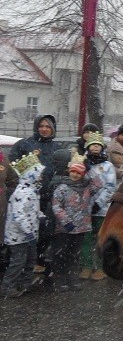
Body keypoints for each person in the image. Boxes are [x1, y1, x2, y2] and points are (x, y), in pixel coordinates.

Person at [9, 115, 59, 273]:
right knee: (27, 229)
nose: (44, 129)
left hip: (49, 195)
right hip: (27, 197)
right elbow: (12, 165)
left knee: (45, 229)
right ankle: (23, 264)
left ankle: (40, 259)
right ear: (37, 127)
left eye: (48, 127)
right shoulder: (25, 144)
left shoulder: (57, 147)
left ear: (53, 129)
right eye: (42, 126)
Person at [50, 162, 103, 293]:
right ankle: (59, 279)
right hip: (65, 229)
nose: (75, 175)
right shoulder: (62, 188)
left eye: (78, 173)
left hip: (81, 227)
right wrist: (66, 221)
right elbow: (56, 206)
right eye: (73, 171)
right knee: (61, 254)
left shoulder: (86, 188)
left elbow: (99, 184)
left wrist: (90, 171)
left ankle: (71, 277)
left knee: (74, 254)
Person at [1, 153, 45, 298]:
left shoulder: (32, 190)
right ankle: (7, 287)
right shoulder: (22, 192)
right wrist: (28, 232)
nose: (40, 177)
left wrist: (41, 216)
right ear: (31, 175)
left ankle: (24, 283)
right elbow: (19, 216)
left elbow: (33, 210)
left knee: (30, 260)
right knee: (18, 262)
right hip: (18, 237)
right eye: (38, 174)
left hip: (29, 235)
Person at [78, 132, 116, 281]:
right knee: (86, 239)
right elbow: (79, 183)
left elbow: (110, 187)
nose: (95, 147)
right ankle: (87, 265)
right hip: (84, 209)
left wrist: (98, 203)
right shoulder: (83, 164)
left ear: (102, 148)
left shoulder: (108, 166)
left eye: (98, 145)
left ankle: (100, 267)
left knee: (100, 239)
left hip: (102, 210)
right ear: (87, 147)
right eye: (92, 145)